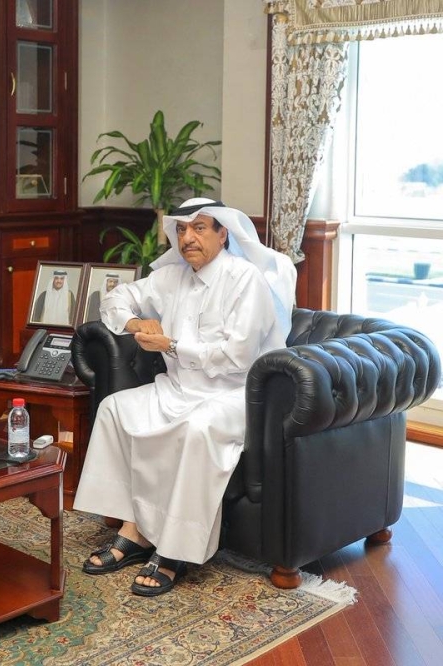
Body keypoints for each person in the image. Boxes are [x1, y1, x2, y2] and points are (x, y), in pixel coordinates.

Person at [73, 198, 296, 596]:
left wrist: (171, 345)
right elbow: (114, 298)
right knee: (115, 408)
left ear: (223, 234)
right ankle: (134, 531)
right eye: (181, 230)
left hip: (233, 397)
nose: (188, 238)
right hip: (177, 389)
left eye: (199, 228)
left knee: (195, 428)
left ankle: (175, 552)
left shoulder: (245, 279)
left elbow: (238, 356)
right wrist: (135, 321)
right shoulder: (171, 277)